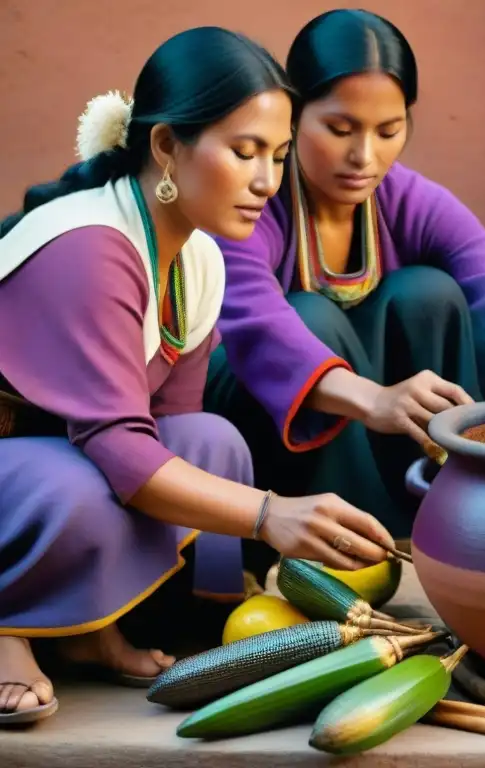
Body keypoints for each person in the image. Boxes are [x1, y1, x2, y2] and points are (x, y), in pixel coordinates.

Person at [0, 27, 394, 726]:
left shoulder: (196, 258)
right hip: (23, 466)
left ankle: (91, 627)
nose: (268, 182)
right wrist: (272, 516)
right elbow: (121, 452)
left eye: (277, 156)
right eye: (244, 153)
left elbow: (166, 431)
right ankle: (7, 627)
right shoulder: (90, 250)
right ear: (164, 147)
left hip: (45, 458)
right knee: (78, 486)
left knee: (209, 439)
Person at [204, 9, 485, 539]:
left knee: (428, 294)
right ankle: (342, 543)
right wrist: (375, 398)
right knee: (309, 315)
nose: (365, 156)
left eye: (388, 131)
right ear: (292, 118)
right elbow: (259, 321)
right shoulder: (253, 197)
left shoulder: (408, 198)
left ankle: (444, 515)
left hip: (381, 430)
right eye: (340, 129)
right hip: (268, 437)